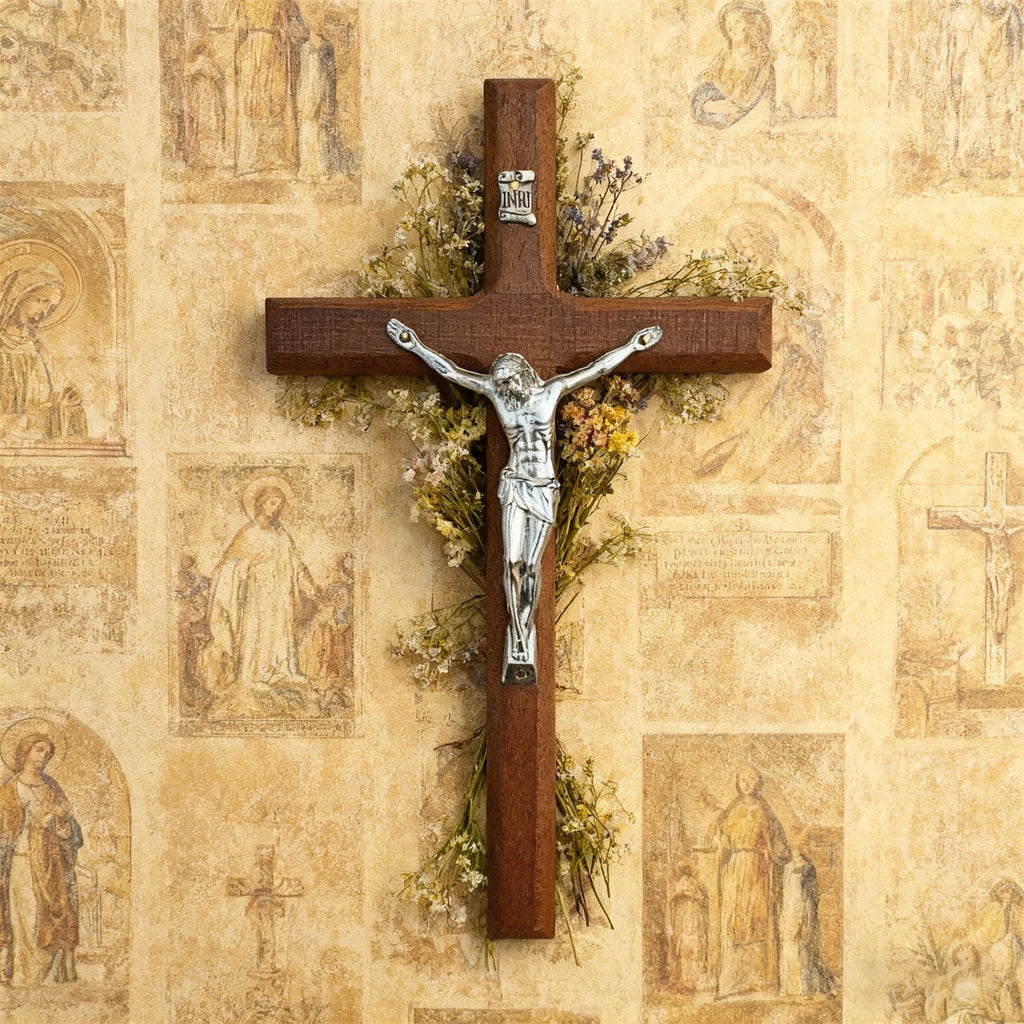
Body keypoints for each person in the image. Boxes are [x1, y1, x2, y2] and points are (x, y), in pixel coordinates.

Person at [387, 318, 660, 682]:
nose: (505, 388)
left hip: (544, 486)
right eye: (500, 384)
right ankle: (517, 634)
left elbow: (596, 368)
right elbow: (453, 372)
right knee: (511, 562)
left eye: (509, 380)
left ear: (522, 373)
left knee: (531, 566)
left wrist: (633, 347)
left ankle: (524, 631)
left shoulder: (551, 391)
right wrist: (415, 346)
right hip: (515, 483)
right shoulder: (499, 395)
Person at [203, 481, 319, 705]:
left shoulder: (282, 535)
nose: (276, 508)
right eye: (272, 503)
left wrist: (309, 587)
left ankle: (280, 671)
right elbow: (225, 567)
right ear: (260, 505)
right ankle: (254, 674)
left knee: (279, 632)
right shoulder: (248, 533)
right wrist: (246, 563)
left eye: (280, 504)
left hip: (280, 597)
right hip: (255, 597)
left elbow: (296, 564)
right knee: (257, 631)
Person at [0, 732, 82, 986]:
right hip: (21, 860)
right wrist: (27, 821)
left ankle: (46, 973)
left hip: (50, 863)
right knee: (23, 913)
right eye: (38, 750)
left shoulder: (52, 787)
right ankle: (23, 973)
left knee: (46, 913)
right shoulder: (9, 788)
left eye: (46, 753)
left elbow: (71, 830)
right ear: (25, 751)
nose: (42, 757)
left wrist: (59, 818)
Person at [709, 765, 791, 998]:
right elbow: (722, 838)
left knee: (759, 920)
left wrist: (768, 851)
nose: (747, 783)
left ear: (758, 782)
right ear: (737, 782)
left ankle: (760, 980)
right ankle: (731, 982)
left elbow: (777, 841)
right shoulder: (731, 810)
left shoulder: (765, 810)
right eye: (743, 778)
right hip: (736, 868)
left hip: (758, 870)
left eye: (752, 778)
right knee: (735, 921)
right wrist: (720, 842)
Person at [0, 261, 86, 439]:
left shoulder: (40, 352)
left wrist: (68, 401)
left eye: (51, 307)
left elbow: (52, 398)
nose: (44, 312)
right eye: (42, 301)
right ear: (19, 296)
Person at [232, 0, 309, 176]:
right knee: (261, 105)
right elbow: (299, 30)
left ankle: (267, 159)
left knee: (271, 104)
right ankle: (263, 159)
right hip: (263, 52)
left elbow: (240, 30)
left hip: (266, 51)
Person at [691, 0, 776, 129]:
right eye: (728, 24)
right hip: (713, 118)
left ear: (749, 24)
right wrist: (708, 105)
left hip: (742, 125)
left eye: (737, 22)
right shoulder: (722, 59)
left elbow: (758, 108)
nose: (731, 28)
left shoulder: (762, 64)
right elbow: (702, 88)